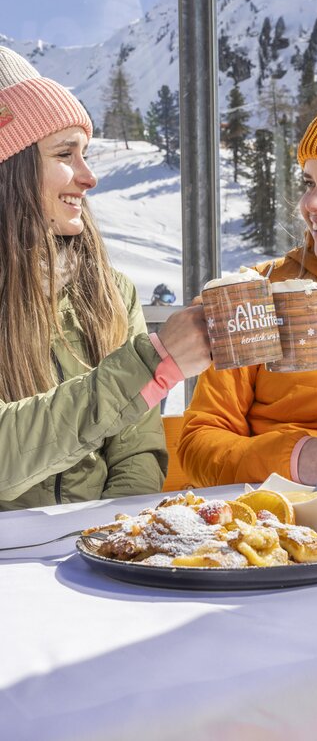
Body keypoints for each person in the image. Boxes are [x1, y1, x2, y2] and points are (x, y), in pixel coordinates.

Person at [0, 46, 211, 511]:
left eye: (86, 153)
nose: (89, 176)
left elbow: (136, 444)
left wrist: (108, 535)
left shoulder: (111, 290)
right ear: (9, 169)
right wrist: (148, 364)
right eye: (65, 153)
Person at [178, 71, 317, 489]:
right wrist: (293, 459)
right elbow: (199, 445)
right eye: (309, 182)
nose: (310, 203)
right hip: (270, 534)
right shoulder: (259, 292)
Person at [148, 284, 176, 413]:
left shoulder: (169, 317)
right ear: (157, 298)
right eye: (167, 298)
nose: (169, 303)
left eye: (172, 299)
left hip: (163, 370)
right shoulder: (146, 314)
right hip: (146, 368)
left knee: (159, 410)